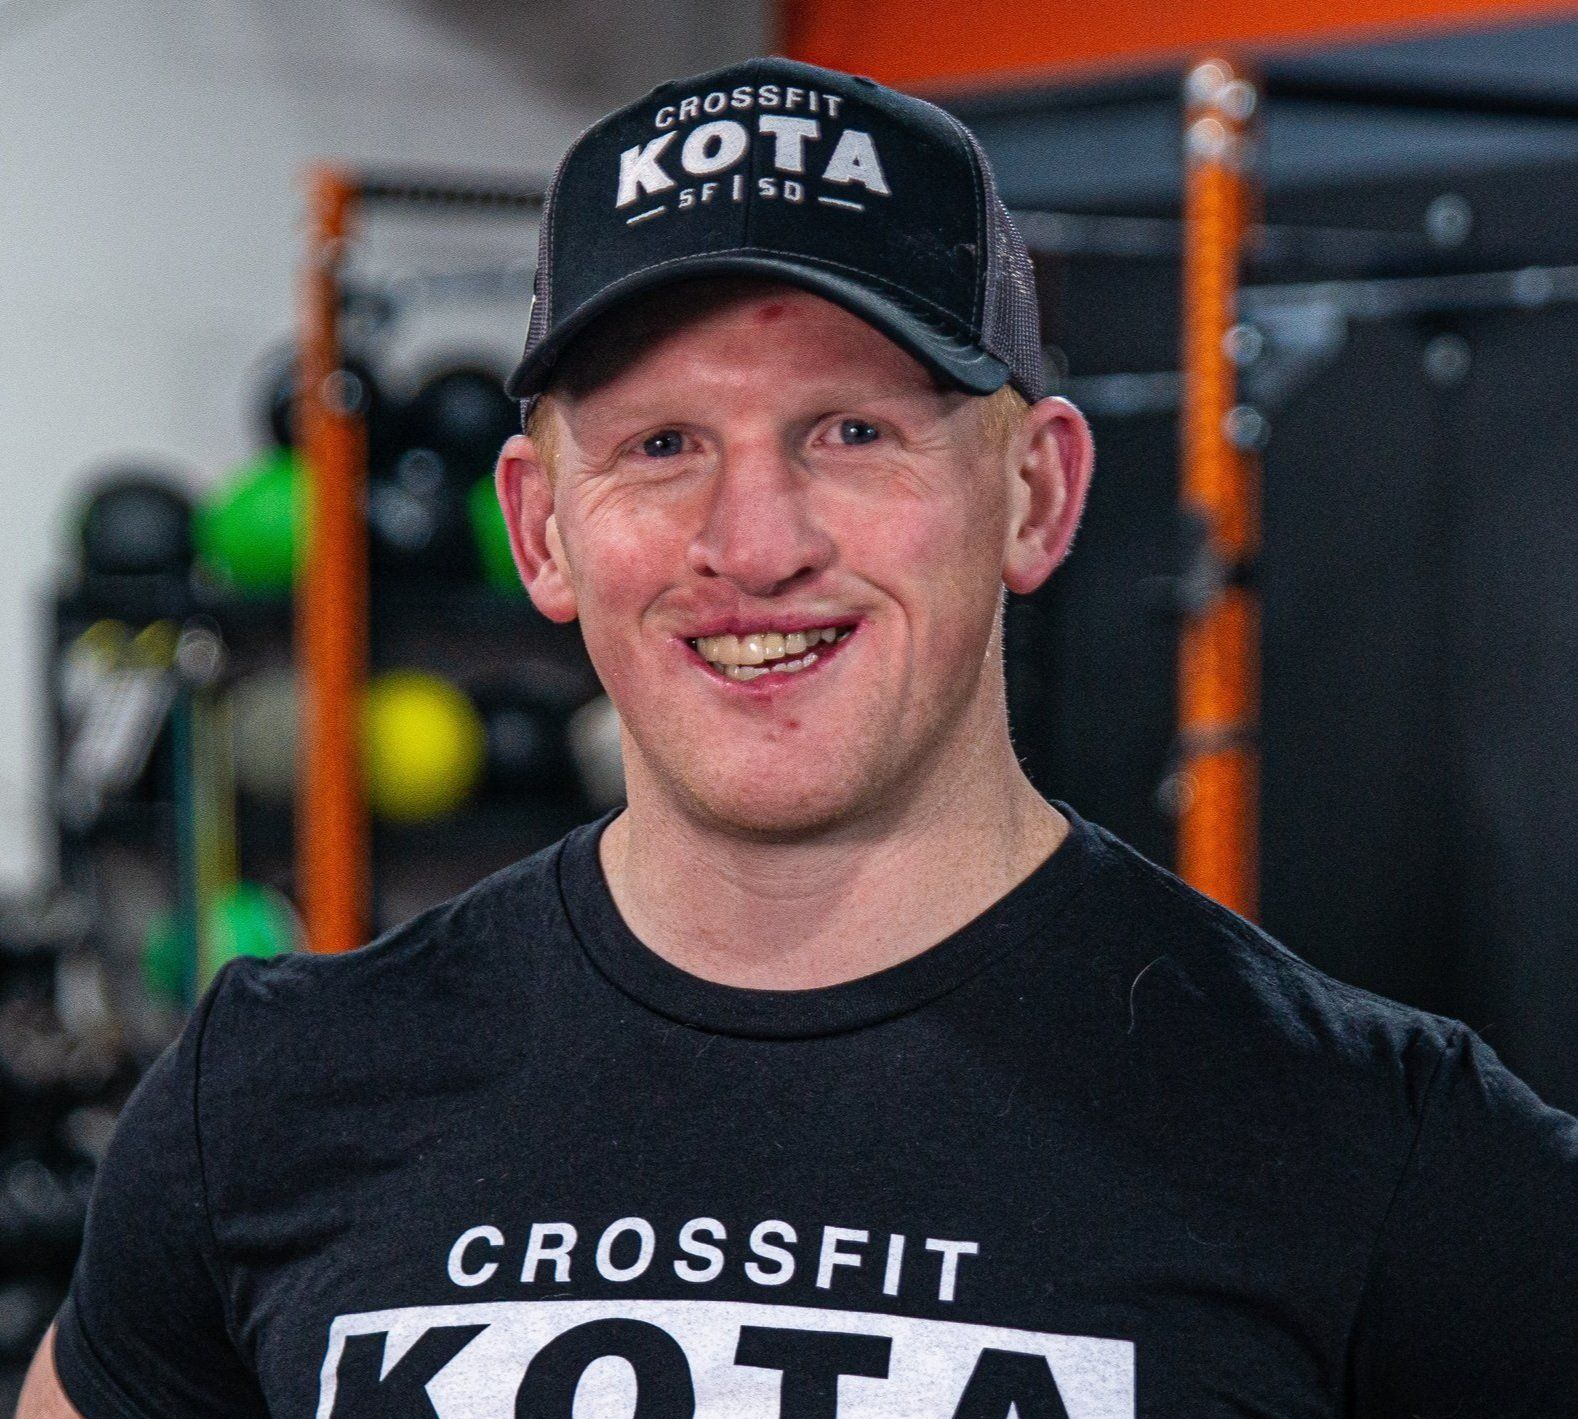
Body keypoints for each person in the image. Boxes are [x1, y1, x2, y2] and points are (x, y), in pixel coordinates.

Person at [19, 55, 1578, 1419]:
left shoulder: (1381, 1149)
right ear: (540, 530)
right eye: (657, 445)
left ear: (1034, 493)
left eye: (850, 431)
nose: (750, 542)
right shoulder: (276, 1093)